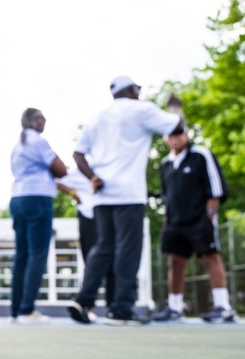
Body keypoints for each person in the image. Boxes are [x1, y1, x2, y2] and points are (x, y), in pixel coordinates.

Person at [67, 76, 183, 325]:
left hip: (102, 196)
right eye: (138, 89)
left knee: (102, 247)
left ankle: (83, 299)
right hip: (128, 193)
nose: (139, 93)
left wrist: (92, 177)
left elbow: (77, 154)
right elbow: (177, 127)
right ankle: (120, 309)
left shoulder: (97, 117)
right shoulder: (140, 110)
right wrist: (175, 107)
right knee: (128, 249)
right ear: (131, 90)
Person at [152, 128, 235, 323]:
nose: (174, 139)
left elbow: (215, 188)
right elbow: (166, 195)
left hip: (201, 217)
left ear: (186, 135)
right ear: (166, 138)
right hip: (174, 220)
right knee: (175, 261)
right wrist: (168, 218)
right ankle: (174, 307)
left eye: (178, 135)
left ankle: (223, 306)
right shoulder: (165, 163)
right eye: (170, 136)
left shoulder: (201, 155)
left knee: (210, 257)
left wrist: (210, 216)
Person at [9, 108, 67, 324]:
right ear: (34, 121)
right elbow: (61, 169)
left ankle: (16, 310)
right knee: (37, 254)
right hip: (38, 199)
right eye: (43, 118)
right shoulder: (38, 141)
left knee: (22, 256)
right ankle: (27, 310)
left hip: (17, 199)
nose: (45, 122)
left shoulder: (18, 145)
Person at [56, 168, 115, 321]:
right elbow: (58, 180)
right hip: (88, 217)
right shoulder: (80, 171)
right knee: (91, 259)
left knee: (111, 261)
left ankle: (113, 306)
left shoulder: (110, 166)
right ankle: (86, 305)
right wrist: (75, 195)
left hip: (109, 215)